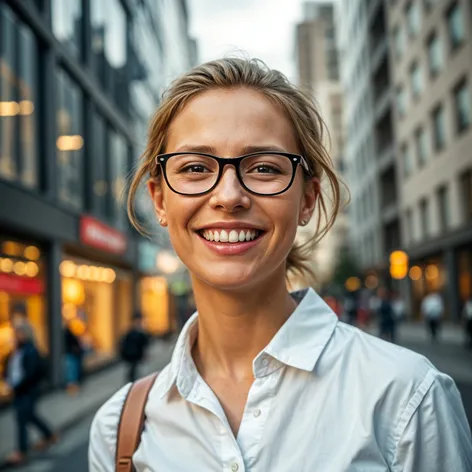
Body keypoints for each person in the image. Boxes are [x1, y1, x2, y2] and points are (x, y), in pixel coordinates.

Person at [89, 58, 472, 471]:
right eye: (196, 168)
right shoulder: (119, 429)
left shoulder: (406, 397)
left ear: (307, 199)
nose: (229, 196)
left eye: (265, 168)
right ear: (160, 199)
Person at [3, 322, 57, 465]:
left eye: (20, 333)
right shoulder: (16, 350)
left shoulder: (31, 350)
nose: (17, 336)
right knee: (29, 416)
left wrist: (17, 385)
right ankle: (49, 434)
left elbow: (30, 372)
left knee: (22, 418)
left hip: (28, 390)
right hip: (19, 389)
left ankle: (21, 452)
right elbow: (10, 367)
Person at [119, 314, 149, 383]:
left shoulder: (140, 332)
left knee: (135, 371)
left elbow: (144, 344)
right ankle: (132, 384)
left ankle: (133, 384)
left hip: (136, 355)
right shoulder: (131, 332)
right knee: (132, 371)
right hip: (131, 355)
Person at [64, 322, 84, 395]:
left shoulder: (68, 333)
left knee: (71, 372)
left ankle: (72, 389)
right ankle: (72, 389)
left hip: (71, 354)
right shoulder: (69, 334)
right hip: (71, 355)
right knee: (72, 373)